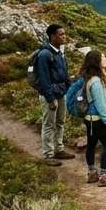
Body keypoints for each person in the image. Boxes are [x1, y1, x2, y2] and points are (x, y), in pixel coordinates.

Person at [32, 24, 74, 166]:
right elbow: (44, 79)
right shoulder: (45, 55)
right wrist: (50, 98)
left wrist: (68, 89)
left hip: (61, 92)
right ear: (52, 36)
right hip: (50, 95)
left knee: (60, 121)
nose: (64, 37)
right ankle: (48, 154)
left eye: (64, 34)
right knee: (49, 124)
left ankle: (59, 148)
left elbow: (64, 73)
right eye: (61, 34)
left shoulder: (59, 52)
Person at [78, 50, 106, 186]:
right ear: (97, 62)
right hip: (97, 120)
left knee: (91, 145)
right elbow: (100, 105)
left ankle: (91, 173)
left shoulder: (88, 78)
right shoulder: (96, 81)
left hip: (89, 120)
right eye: (103, 57)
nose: (105, 59)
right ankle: (103, 175)